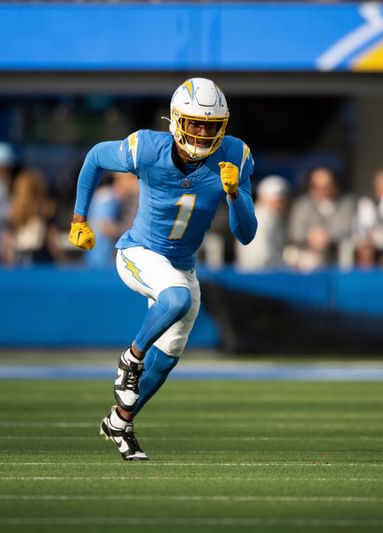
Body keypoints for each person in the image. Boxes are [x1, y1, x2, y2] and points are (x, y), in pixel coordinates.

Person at [68, 78, 257, 461]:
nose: (202, 132)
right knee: (176, 299)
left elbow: (247, 234)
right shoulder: (148, 148)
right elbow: (94, 158)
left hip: (182, 265)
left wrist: (236, 196)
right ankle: (130, 359)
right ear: (175, 120)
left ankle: (120, 423)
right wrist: (78, 218)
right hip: (138, 251)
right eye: (194, 123)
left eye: (210, 124)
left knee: (169, 355)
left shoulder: (235, 155)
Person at [286, 167, 355, 270]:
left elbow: (348, 228)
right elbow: (295, 231)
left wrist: (327, 237)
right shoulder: (302, 204)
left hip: (338, 258)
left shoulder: (347, 203)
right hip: (308, 258)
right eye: (315, 186)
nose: (320, 190)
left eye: (326, 186)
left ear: (335, 186)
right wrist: (310, 236)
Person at [5, 168, 62, 265]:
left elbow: (7, 242)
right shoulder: (47, 211)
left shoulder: (14, 212)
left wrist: (9, 263)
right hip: (41, 258)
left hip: (20, 256)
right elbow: (52, 239)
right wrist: (60, 260)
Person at [234, 175, 289, 271]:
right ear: (262, 198)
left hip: (259, 272)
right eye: (276, 201)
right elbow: (263, 256)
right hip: (258, 275)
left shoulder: (271, 217)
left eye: (282, 201)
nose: (280, 205)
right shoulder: (261, 218)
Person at [86, 171, 139, 268]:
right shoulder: (109, 198)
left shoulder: (139, 198)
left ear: (134, 179)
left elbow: (136, 229)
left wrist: (114, 229)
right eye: (116, 180)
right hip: (108, 260)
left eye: (121, 179)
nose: (117, 184)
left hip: (127, 259)